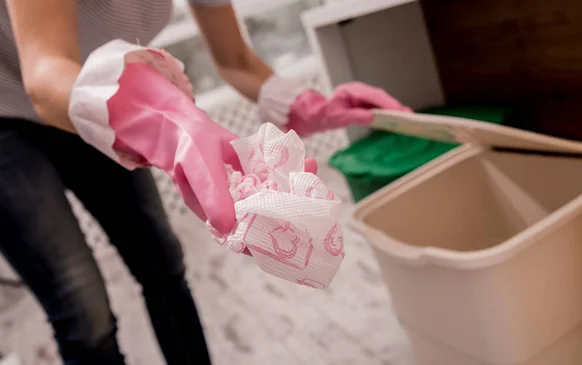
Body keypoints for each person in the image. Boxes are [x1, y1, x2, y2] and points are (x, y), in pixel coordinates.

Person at [0, 0, 406, 364]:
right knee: (82, 309)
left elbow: (236, 60)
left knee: (162, 262)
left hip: (96, 90)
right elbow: (44, 70)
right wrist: (166, 120)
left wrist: (302, 102)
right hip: (11, 113)